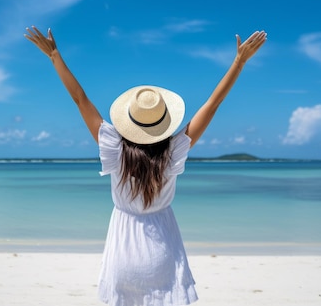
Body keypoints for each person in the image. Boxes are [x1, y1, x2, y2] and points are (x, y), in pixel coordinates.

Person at [25, 26, 267, 306]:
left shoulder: (114, 149)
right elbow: (213, 104)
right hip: (162, 246)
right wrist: (239, 62)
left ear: (129, 120)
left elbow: (80, 99)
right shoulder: (173, 153)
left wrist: (54, 55)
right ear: (164, 123)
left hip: (122, 247)